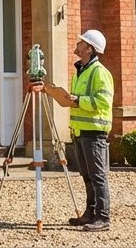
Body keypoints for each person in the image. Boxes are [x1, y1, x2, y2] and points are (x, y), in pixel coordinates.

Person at [44, 29, 114, 232]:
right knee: (87, 175)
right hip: (81, 130)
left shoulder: (99, 72)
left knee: (98, 176)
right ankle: (90, 214)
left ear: (89, 49)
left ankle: (103, 217)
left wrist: (77, 100)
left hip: (94, 131)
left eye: (81, 43)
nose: (77, 45)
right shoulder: (80, 71)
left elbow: (103, 102)